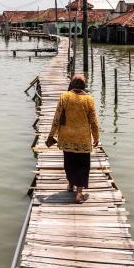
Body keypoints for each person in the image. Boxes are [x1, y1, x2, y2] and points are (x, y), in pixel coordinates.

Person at [46, 74, 99, 204]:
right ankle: (79, 193)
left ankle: (70, 184)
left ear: (72, 84)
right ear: (84, 86)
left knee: (69, 162)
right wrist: (96, 137)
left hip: (67, 138)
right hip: (83, 139)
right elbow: (94, 122)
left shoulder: (64, 97)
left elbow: (56, 118)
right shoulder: (89, 99)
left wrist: (51, 135)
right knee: (82, 165)